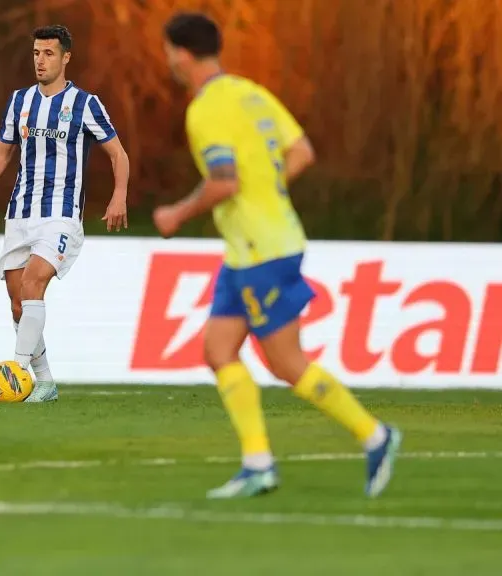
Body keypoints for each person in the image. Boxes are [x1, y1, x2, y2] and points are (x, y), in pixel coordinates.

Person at [154, 12, 401, 499]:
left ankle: (375, 435)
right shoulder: (252, 93)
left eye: (168, 52)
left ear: (182, 53)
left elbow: (225, 181)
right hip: (253, 248)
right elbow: (302, 152)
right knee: (218, 350)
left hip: (262, 251)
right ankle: (258, 464)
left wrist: (177, 214)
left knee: (287, 364)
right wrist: (268, 194)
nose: (168, 61)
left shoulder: (205, 110)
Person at [0, 24, 130, 403]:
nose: (40, 60)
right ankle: (45, 382)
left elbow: (118, 153)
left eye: (49, 53)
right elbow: (2, 153)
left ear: (66, 57)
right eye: (36, 53)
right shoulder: (20, 101)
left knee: (34, 284)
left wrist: (119, 195)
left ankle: (15, 373)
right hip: (20, 213)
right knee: (18, 302)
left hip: (61, 214)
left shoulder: (85, 104)